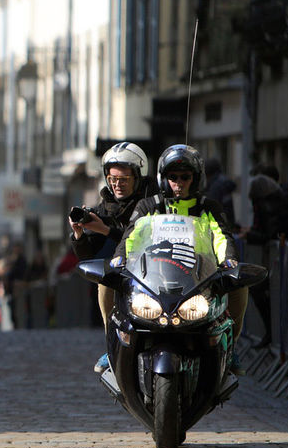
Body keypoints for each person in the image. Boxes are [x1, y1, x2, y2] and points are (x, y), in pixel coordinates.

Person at [120, 144, 248, 375]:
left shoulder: (208, 207)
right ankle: (117, 342)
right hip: (154, 277)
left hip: (198, 278)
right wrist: (119, 258)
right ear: (163, 179)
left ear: (195, 179)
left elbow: (222, 237)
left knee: (240, 285)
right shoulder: (149, 206)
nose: (178, 183)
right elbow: (131, 236)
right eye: (173, 177)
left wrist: (229, 261)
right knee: (111, 285)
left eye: (185, 177)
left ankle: (231, 347)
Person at [67, 141, 152, 373]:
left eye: (123, 180)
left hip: (155, 270)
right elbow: (87, 256)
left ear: (138, 176)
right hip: (126, 273)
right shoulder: (106, 207)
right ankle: (112, 343)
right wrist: (79, 233)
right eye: (113, 179)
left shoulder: (152, 203)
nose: (117, 185)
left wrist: (106, 230)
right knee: (105, 283)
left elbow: (141, 237)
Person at [242, 173, 288, 348]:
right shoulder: (282, 200)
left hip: (286, 258)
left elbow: (269, 233)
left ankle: (274, 335)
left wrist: (249, 235)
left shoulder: (269, 204)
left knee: (262, 291)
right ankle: (278, 338)